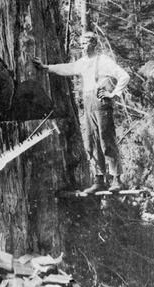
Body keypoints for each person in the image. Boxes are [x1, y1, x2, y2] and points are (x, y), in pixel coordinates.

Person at [33, 32, 130, 194]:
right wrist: (46, 68)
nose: (82, 46)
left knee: (106, 139)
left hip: (101, 103)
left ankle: (116, 179)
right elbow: (68, 68)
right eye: (81, 43)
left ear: (93, 44)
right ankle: (99, 179)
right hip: (88, 102)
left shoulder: (103, 61)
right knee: (91, 141)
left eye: (85, 43)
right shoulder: (83, 62)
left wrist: (113, 94)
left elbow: (124, 76)